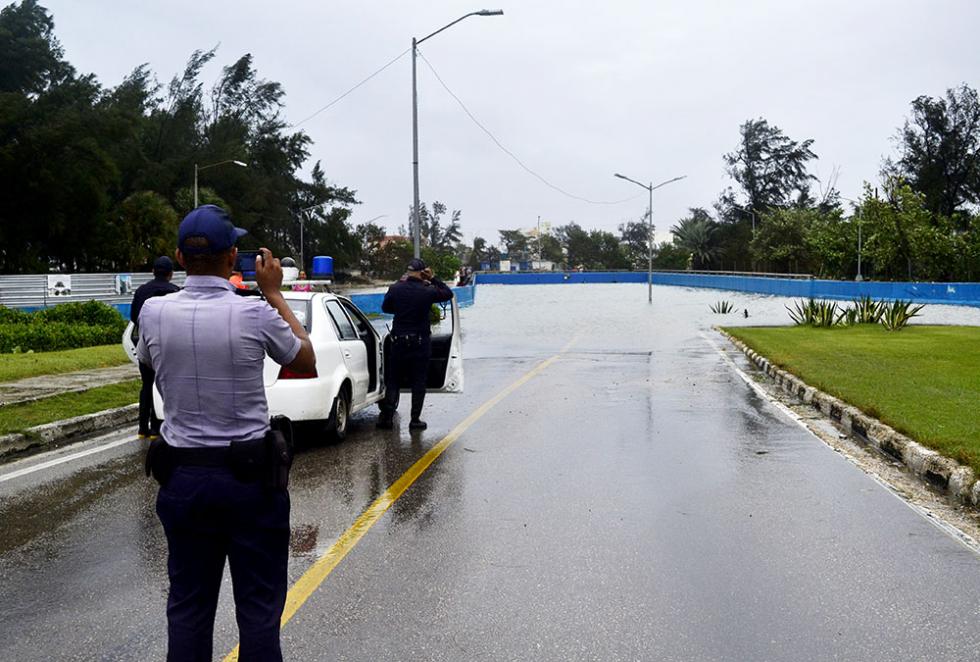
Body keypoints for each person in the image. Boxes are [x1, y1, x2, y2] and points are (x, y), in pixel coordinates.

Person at [137, 204, 315, 661]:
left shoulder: (154, 313)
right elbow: (305, 360)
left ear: (180, 257)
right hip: (250, 482)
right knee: (257, 611)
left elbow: (148, 363)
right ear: (233, 256)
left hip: (184, 479)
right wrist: (274, 293)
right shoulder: (255, 314)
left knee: (189, 608)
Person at [377, 258, 454, 430]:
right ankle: (415, 420)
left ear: (408, 271)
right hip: (420, 343)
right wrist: (433, 279)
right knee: (419, 381)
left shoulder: (395, 288)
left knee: (394, 380)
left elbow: (386, 308)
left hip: (398, 342)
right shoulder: (427, 291)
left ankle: (387, 418)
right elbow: (448, 293)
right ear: (422, 273)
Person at [130, 256, 180, 438]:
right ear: (171, 274)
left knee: (146, 384)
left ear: (153, 271)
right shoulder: (176, 292)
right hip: (169, 347)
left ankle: (142, 428)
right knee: (163, 385)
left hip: (146, 345)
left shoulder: (142, 291)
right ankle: (157, 427)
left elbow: (134, 317)